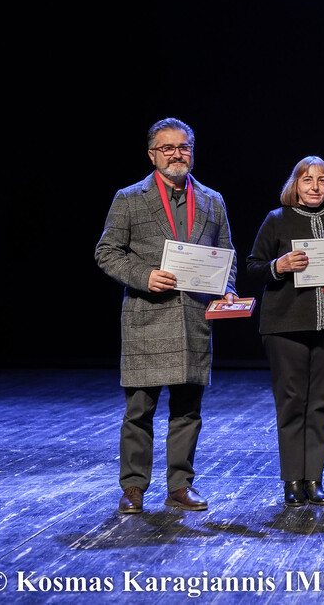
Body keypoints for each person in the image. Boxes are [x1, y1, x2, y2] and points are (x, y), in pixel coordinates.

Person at [95, 117, 238, 514]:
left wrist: (228, 288)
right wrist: (144, 276)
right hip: (147, 317)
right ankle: (133, 487)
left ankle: (180, 486)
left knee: (188, 410)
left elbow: (226, 256)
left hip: (193, 319)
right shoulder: (130, 198)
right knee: (139, 411)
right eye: (167, 148)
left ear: (192, 151)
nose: (177, 154)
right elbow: (106, 252)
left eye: (183, 147)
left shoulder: (212, 200)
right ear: (152, 154)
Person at [246, 156, 324, 507]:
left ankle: (313, 479)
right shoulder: (277, 219)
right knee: (291, 403)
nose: (315, 186)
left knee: (321, 404)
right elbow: (254, 266)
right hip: (285, 325)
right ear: (295, 185)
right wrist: (279, 265)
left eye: (322, 180)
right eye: (307, 179)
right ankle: (291, 480)